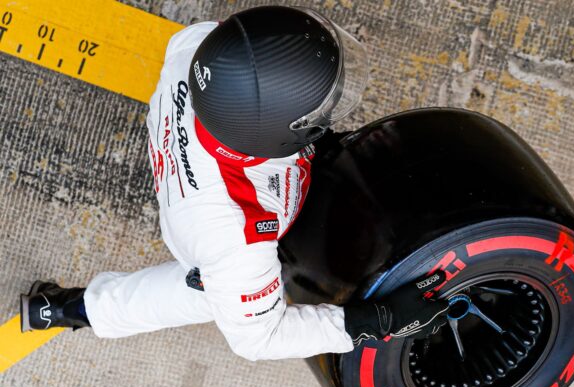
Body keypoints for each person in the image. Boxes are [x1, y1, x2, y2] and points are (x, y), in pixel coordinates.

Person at [19, 5, 449, 360]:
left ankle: (56, 309)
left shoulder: (205, 49)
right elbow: (259, 339)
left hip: (201, 175)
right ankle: (64, 310)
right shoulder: (239, 244)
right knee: (209, 295)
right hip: (209, 228)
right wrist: (376, 322)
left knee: (225, 283)